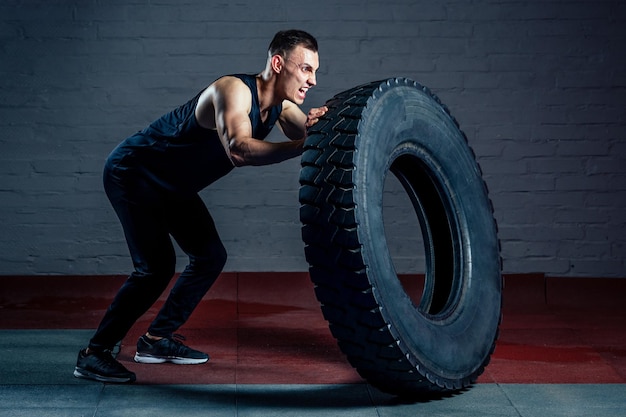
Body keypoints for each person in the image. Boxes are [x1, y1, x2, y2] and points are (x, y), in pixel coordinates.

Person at [73, 29, 327, 383]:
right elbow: (239, 149)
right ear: (278, 63)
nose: (312, 80)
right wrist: (298, 147)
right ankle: (94, 354)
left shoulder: (282, 108)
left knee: (210, 256)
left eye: (315, 72)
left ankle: (156, 340)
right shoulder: (233, 91)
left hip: (174, 187)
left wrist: (325, 124)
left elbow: (315, 135)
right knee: (156, 268)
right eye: (305, 69)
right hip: (134, 173)